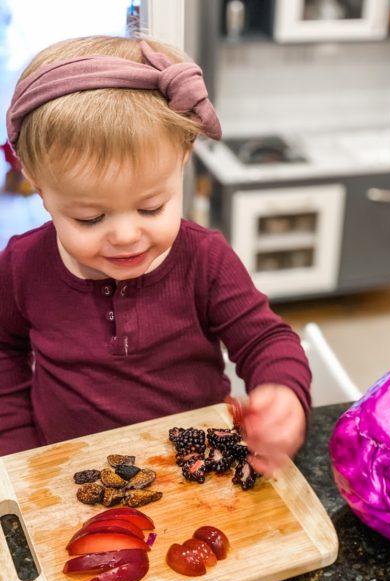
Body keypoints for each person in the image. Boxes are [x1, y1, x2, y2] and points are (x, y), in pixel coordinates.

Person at [0, 35, 311, 475]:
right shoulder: (21, 266)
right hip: (69, 477)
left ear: (182, 159)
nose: (127, 236)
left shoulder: (205, 259)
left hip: (195, 470)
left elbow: (266, 340)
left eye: (151, 207)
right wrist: (16, 446)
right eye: (90, 218)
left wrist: (282, 394)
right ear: (38, 185)